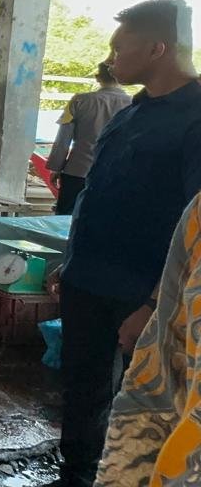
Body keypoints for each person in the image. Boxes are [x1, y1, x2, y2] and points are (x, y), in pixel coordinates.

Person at [49, 0, 201, 487]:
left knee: (144, 403)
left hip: (143, 294)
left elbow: (195, 225)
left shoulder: (195, 117)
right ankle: (77, 476)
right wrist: (68, 261)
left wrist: (156, 305)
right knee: (82, 389)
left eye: (119, 48)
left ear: (158, 48)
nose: (111, 58)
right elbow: (98, 193)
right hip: (87, 279)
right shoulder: (130, 111)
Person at [96, 191, 201, 486]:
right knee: (88, 388)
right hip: (95, 279)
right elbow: (155, 388)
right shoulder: (199, 214)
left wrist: (148, 304)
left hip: (133, 285)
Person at [46, 63, 131, 215]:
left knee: (65, 220)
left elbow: (63, 139)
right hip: (116, 174)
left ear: (98, 77)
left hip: (77, 172)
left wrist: (56, 167)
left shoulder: (79, 101)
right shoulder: (134, 104)